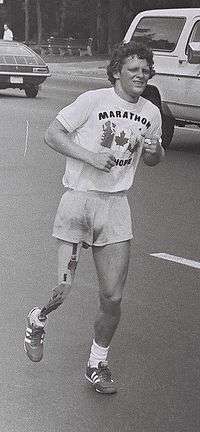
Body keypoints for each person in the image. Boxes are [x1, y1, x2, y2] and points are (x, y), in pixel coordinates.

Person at [24, 41, 164, 395]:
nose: (140, 76)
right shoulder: (92, 101)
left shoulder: (151, 111)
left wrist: (155, 150)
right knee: (64, 289)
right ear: (116, 71)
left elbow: (152, 161)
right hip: (78, 201)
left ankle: (96, 363)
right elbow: (51, 134)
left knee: (113, 298)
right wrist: (88, 155)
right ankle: (37, 318)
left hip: (116, 206)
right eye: (133, 69)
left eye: (145, 70)